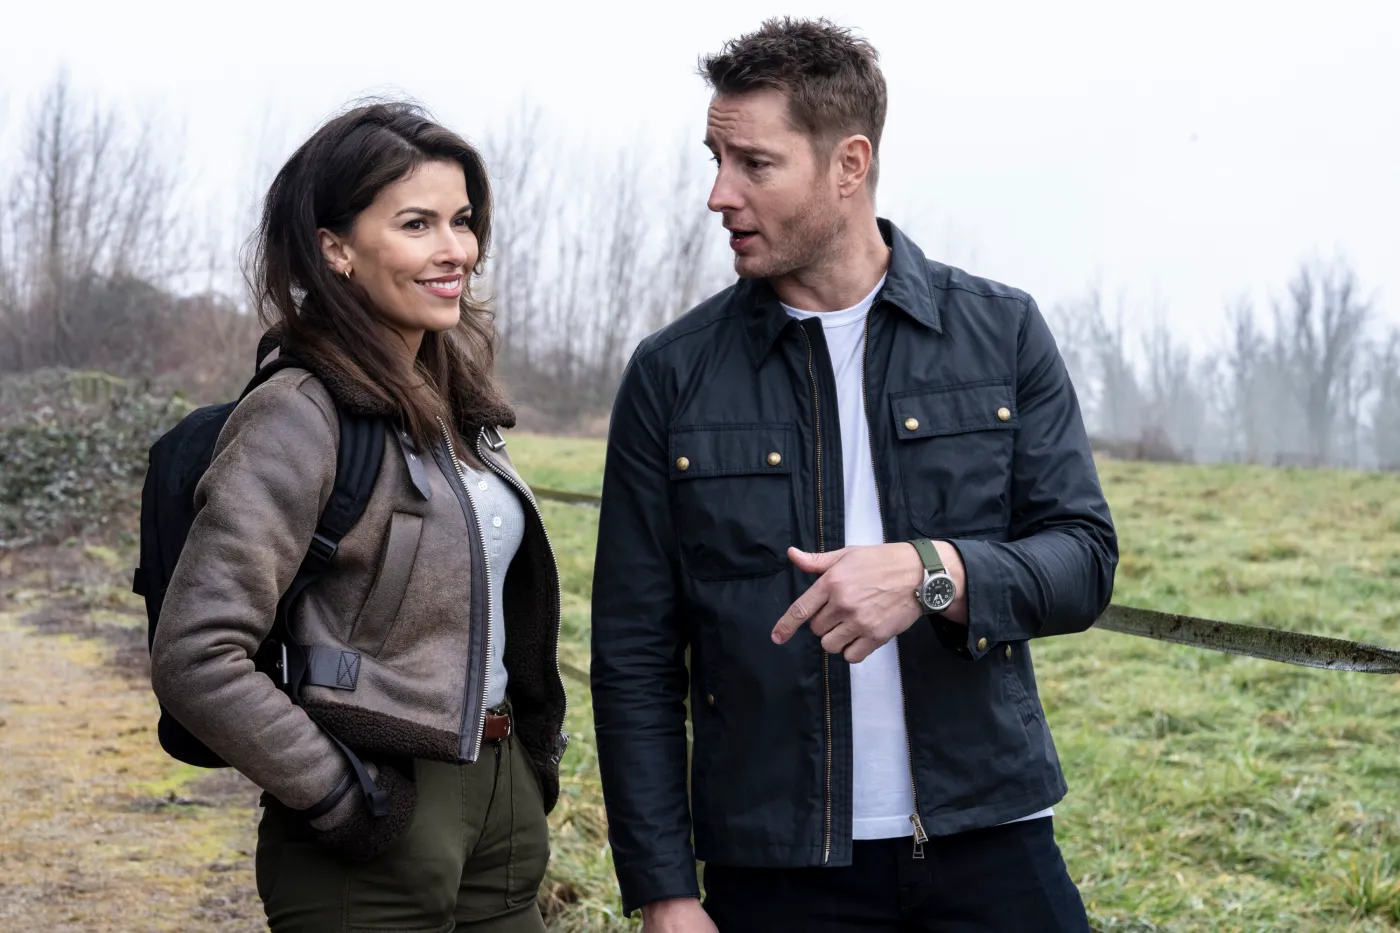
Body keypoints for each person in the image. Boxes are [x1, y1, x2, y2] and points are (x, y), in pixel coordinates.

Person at [590, 18, 1117, 933]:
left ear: (849, 164)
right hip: (777, 867)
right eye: (716, 159)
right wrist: (664, 889)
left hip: (992, 841)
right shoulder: (671, 374)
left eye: (754, 164)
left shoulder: (1001, 333)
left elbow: (1084, 561)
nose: (719, 194)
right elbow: (634, 653)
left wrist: (931, 571)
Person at [150, 101, 568, 933]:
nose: (455, 250)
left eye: (462, 221)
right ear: (335, 248)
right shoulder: (298, 413)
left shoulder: (459, 409)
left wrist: (524, 772)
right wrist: (343, 796)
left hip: (499, 803)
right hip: (375, 820)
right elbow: (196, 654)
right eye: (417, 224)